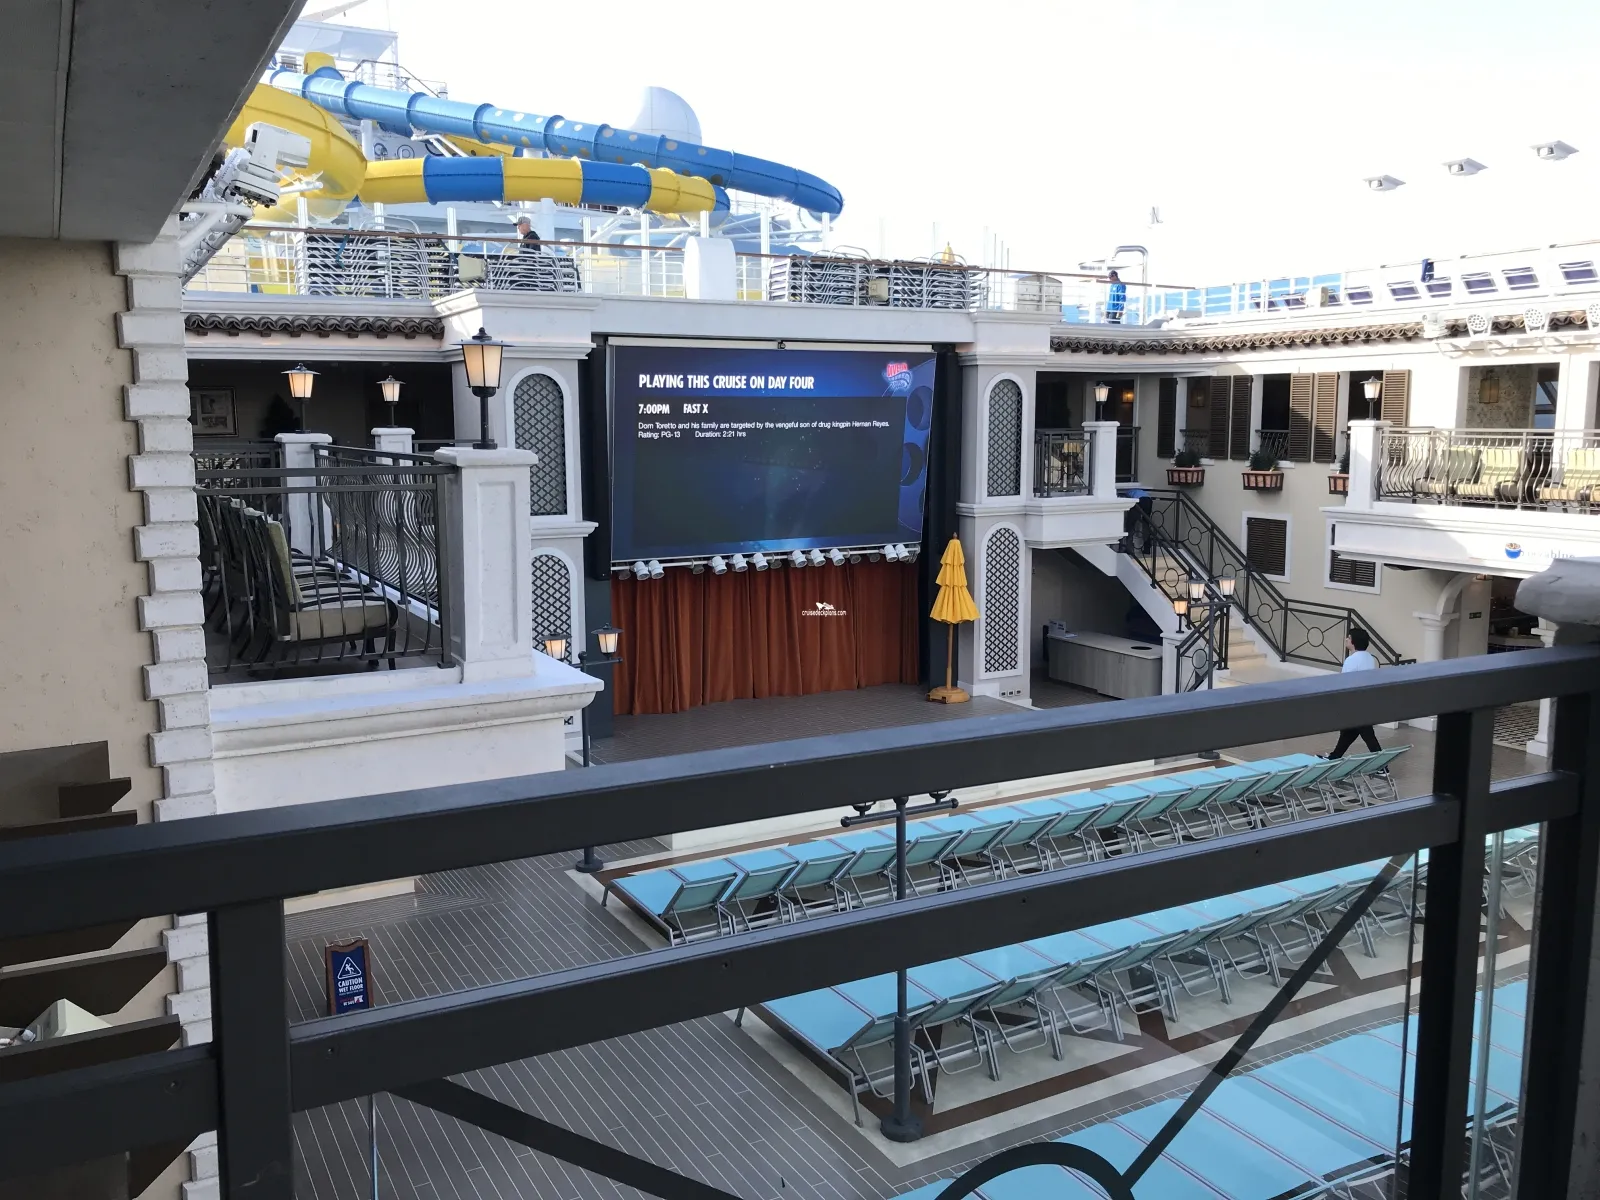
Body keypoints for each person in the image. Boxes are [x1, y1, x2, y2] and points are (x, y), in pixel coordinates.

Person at [1327, 628, 1381, 758]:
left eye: (1349, 637)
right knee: (1349, 732)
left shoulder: (1351, 660)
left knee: (1367, 734)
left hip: (1353, 703)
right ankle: (1334, 757)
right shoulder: (1369, 658)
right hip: (1364, 700)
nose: (1346, 639)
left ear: (1354, 641)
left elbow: (1345, 683)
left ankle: (1382, 765)